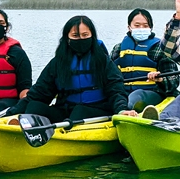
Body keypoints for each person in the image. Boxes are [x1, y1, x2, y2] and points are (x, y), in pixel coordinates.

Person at [8, 15, 137, 123]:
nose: (80, 39)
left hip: (96, 112)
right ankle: (27, 129)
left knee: (80, 111)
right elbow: (38, 93)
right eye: (75, 36)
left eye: (85, 35)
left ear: (92, 37)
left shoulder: (103, 61)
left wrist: (121, 109)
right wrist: (13, 111)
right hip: (66, 111)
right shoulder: (58, 63)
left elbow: (116, 90)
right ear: (68, 39)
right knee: (34, 106)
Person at [111, 8, 180, 112]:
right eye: (137, 25)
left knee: (135, 97)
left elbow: (174, 79)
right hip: (123, 93)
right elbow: (108, 75)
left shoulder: (160, 48)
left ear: (151, 28)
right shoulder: (118, 48)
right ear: (129, 27)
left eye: (145, 25)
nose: (141, 28)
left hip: (151, 92)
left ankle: (130, 112)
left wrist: (160, 79)